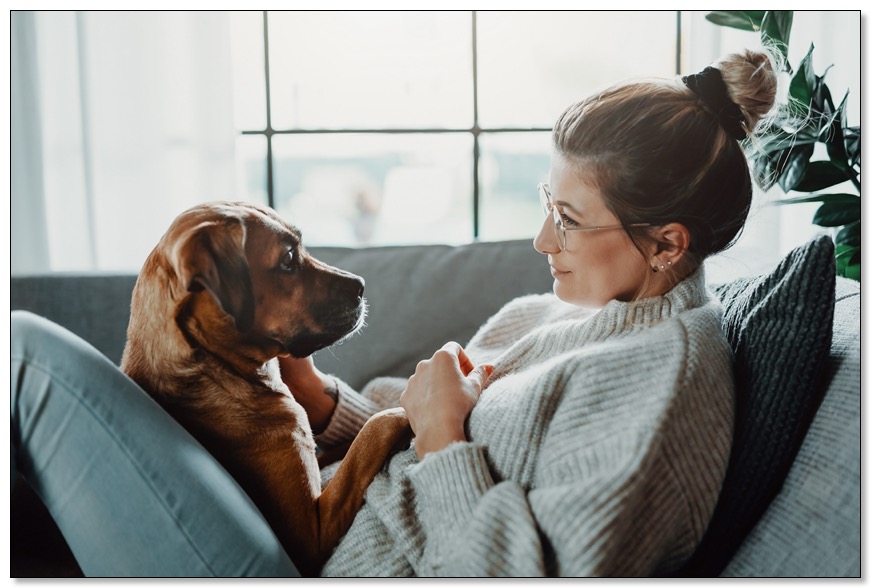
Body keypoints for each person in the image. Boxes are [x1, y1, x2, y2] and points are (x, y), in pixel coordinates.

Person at [11, 49, 779, 577]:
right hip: (305, 519)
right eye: (549, 204)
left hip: (300, 565)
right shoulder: (548, 314)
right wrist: (323, 405)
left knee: (23, 359)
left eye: (569, 219)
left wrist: (445, 439)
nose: (542, 238)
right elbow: (402, 414)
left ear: (666, 244)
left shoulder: (660, 385)